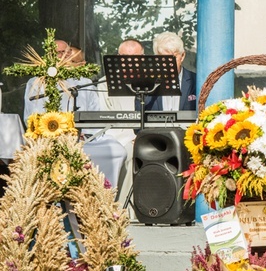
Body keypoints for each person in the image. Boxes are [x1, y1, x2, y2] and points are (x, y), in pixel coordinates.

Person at [24, 39, 128, 194]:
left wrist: (85, 135)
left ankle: (103, 197)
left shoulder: (84, 82)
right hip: (49, 141)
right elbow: (30, 117)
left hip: (83, 139)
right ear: (48, 55)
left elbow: (95, 115)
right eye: (56, 53)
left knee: (117, 150)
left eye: (64, 52)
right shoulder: (35, 83)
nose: (60, 56)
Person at [99, 38, 144, 215]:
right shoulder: (104, 83)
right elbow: (104, 121)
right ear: (118, 58)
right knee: (128, 154)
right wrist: (132, 138)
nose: (130, 62)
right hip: (117, 138)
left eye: (135, 58)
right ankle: (121, 212)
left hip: (146, 137)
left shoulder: (152, 83)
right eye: (125, 57)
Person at [144, 31, 197, 111]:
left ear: (182, 56)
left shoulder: (196, 81)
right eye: (163, 58)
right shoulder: (146, 84)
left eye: (173, 58)